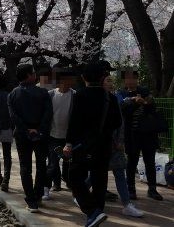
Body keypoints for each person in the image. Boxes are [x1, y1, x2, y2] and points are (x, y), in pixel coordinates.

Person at [64, 61, 122, 227]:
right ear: (103, 77)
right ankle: (96, 214)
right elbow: (118, 122)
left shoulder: (80, 95)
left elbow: (74, 122)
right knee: (99, 180)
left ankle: (92, 212)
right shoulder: (109, 97)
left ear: (83, 77)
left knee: (74, 177)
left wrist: (69, 143)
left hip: (83, 145)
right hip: (104, 146)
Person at [8, 64, 52, 213]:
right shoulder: (43, 93)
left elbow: (13, 116)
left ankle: (31, 200)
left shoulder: (13, 94)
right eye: (33, 73)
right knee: (41, 165)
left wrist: (25, 129)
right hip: (40, 134)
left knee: (25, 166)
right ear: (28, 75)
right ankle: (38, 194)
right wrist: (38, 130)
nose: (35, 75)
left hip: (22, 134)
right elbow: (48, 114)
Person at [116, 69, 164, 201]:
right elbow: (122, 110)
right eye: (128, 78)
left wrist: (146, 102)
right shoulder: (121, 93)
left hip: (148, 133)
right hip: (132, 134)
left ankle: (152, 189)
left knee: (150, 161)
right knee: (132, 162)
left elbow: (152, 108)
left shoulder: (145, 91)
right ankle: (131, 189)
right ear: (124, 80)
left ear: (137, 79)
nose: (131, 81)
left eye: (133, 78)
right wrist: (134, 102)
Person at [102, 75, 144, 218]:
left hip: (116, 144)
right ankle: (81, 194)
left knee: (120, 172)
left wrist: (120, 141)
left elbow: (120, 121)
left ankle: (126, 204)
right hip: (102, 144)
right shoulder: (96, 99)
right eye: (107, 80)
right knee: (96, 173)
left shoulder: (116, 98)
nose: (111, 83)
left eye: (111, 80)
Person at [43, 66, 76, 200]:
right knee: (52, 164)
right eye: (70, 79)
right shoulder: (51, 94)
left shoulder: (74, 95)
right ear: (62, 80)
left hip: (69, 137)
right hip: (53, 136)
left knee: (70, 165)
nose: (72, 82)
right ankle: (46, 188)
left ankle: (74, 189)